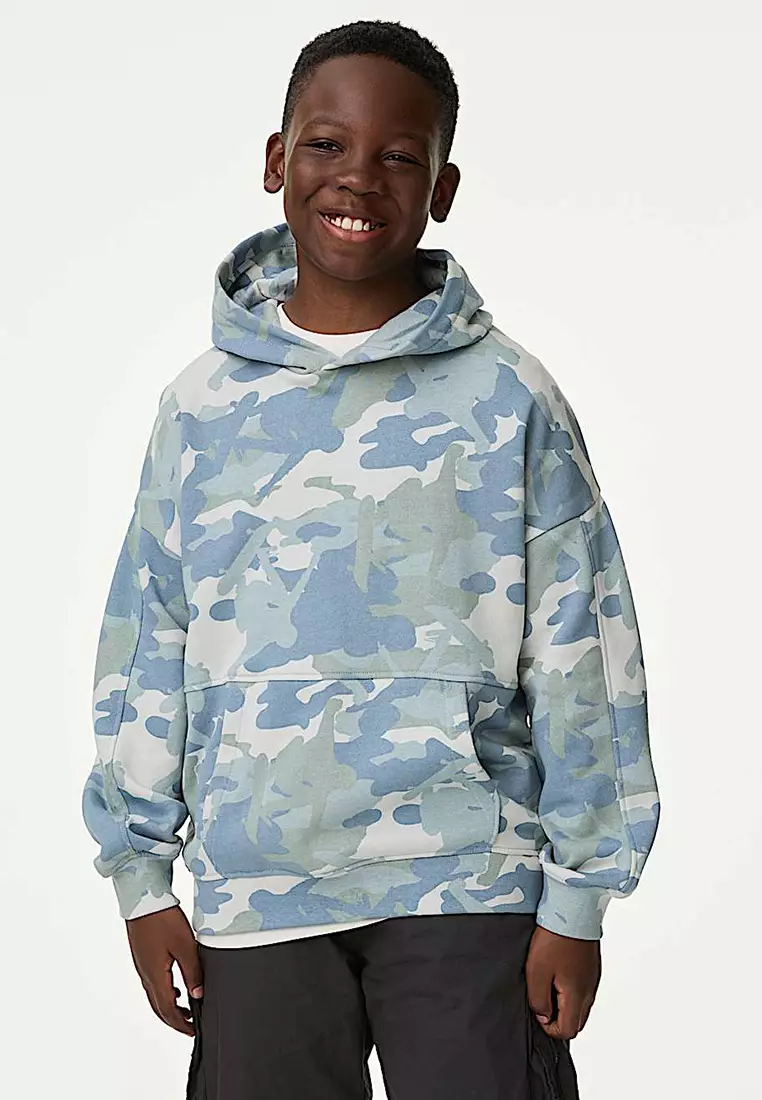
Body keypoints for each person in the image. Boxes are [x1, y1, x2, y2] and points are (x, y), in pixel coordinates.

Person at [81, 19, 659, 1100]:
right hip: (259, 885)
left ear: (443, 187)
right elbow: (149, 638)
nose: (358, 177)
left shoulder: (510, 396)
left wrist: (581, 896)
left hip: (466, 880)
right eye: (326, 145)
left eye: (399, 156)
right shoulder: (201, 407)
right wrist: (139, 874)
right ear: (276, 159)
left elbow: (585, 650)